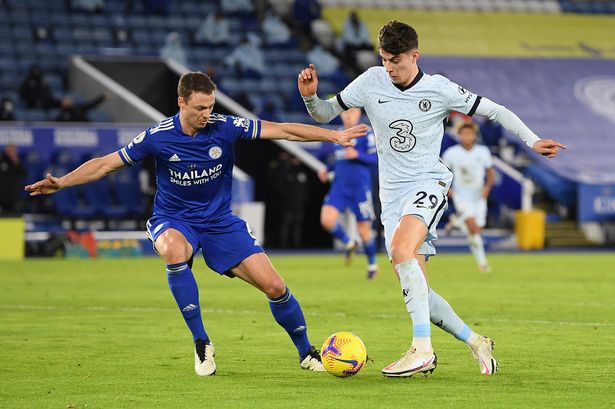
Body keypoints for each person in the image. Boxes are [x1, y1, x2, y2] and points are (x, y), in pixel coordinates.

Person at [25, 71, 367, 377]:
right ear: (181, 102)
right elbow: (105, 164)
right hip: (174, 220)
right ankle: (202, 342)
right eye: (200, 108)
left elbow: (283, 131)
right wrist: (62, 182)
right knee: (173, 250)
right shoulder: (157, 137)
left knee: (275, 287)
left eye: (210, 106)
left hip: (219, 222)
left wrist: (332, 137)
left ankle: (306, 352)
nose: (207, 114)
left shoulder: (225, 127)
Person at [298, 20, 566, 377]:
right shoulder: (370, 81)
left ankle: (422, 349)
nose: (390, 68)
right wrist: (310, 96)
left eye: (396, 60)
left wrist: (531, 139)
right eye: (385, 60)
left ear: (415, 55)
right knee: (415, 285)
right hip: (391, 195)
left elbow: (495, 110)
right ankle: (476, 341)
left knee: (401, 252)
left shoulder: (440, 89)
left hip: (428, 183)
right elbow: (325, 113)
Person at [317, 107, 378, 278]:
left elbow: (377, 159)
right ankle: (349, 242)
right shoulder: (337, 134)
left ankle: (372, 265)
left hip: (360, 187)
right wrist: (326, 169)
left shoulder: (367, 132)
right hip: (339, 186)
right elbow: (339, 158)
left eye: (352, 112)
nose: (349, 116)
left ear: (359, 113)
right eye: (345, 112)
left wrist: (357, 155)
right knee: (326, 220)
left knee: (364, 229)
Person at [442, 121, 495, 273]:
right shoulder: (451, 153)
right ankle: (483, 264)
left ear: (474, 135)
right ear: (459, 135)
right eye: (464, 134)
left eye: (470, 134)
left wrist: (487, 188)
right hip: (461, 195)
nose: (467, 137)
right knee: (472, 226)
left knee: (477, 230)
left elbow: (490, 172)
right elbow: (441, 173)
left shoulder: (483, 151)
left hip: (478, 195)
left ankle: (457, 221)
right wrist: (449, 191)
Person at [0, 144, 26, 213]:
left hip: (13, 194)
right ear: (6, 150)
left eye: (13, 150)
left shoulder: (17, 161)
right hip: (2, 194)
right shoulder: (2, 159)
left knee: (13, 213)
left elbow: (23, 174)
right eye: (10, 149)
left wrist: (16, 162)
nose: (11, 151)